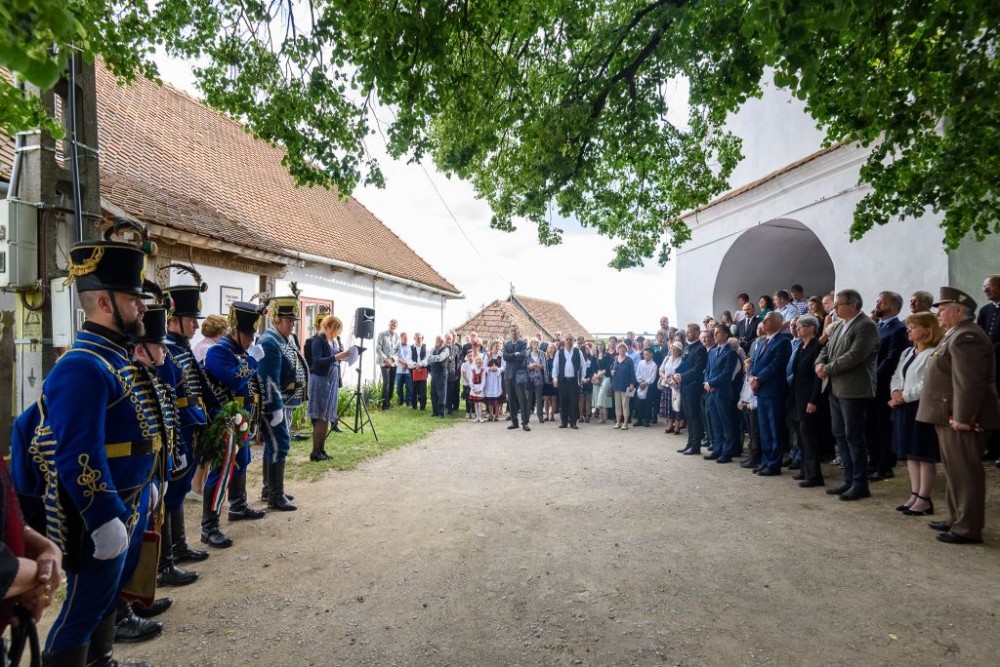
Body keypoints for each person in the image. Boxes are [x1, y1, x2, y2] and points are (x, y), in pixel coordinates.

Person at [31, 238, 160, 666]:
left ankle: (103, 660)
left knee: (109, 596)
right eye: (133, 298)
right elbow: (77, 452)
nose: (142, 307)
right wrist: (103, 516)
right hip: (98, 514)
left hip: (130, 499)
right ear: (104, 301)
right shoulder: (82, 365)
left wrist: (147, 485)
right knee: (81, 610)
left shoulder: (115, 358)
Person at [918, 288, 1000, 544]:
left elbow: (969, 382)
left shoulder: (967, 336)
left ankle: (967, 527)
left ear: (958, 311)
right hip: (948, 414)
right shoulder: (956, 334)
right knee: (955, 471)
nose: (939, 313)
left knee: (965, 473)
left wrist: (963, 416)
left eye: (943, 309)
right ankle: (955, 517)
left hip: (960, 417)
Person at [159, 276, 218, 589]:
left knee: (178, 494)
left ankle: (178, 546)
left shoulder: (181, 349)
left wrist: (218, 413)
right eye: (191, 320)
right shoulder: (166, 350)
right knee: (169, 497)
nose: (196, 327)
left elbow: (202, 387)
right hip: (176, 433)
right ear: (174, 320)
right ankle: (165, 559)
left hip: (191, 428)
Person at [202, 301, 266, 548]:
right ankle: (209, 527)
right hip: (225, 421)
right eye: (248, 335)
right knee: (221, 472)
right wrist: (251, 361)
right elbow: (235, 380)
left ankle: (237, 506)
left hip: (243, 421)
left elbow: (253, 385)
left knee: (242, 463)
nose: (251, 340)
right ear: (236, 331)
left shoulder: (241, 351)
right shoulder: (219, 352)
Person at [815, 289, 879, 500]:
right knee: (840, 434)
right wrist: (819, 363)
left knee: (854, 435)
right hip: (835, 387)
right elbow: (826, 349)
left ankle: (860, 483)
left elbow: (856, 355)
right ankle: (849, 478)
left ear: (854, 305)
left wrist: (828, 368)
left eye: (839, 304)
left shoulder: (866, 326)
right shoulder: (840, 326)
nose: (835, 308)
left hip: (854, 389)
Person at [888, 311, 942, 515]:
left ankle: (924, 498)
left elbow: (928, 383)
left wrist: (905, 396)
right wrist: (895, 392)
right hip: (903, 406)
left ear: (927, 330)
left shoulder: (933, 353)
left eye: (914, 327)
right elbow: (896, 375)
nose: (909, 330)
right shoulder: (908, 352)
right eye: (909, 326)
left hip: (919, 406)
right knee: (910, 453)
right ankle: (914, 493)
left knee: (922, 453)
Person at [258, 295, 308, 512]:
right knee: (280, 443)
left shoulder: (282, 338)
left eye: (294, 321)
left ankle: (270, 488)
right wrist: (275, 407)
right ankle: (275, 495)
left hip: (286, 401)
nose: (292, 324)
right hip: (275, 404)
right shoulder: (270, 341)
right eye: (289, 320)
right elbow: (270, 379)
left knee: (274, 445)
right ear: (276, 319)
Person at [868, 290, 910, 481]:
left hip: (883, 383)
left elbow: (892, 358)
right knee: (871, 425)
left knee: (883, 425)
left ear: (894, 308)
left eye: (882, 302)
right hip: (869, 383)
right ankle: (874, 461)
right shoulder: (877, 326)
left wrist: (874, 376)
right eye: (877, 301)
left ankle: (885, 465)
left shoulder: (898, 329)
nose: (877, 305)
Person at [748, 312, 792, 476]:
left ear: (777, 323)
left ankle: (774, 464)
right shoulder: (762, 342)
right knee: (764, 428)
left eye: (766, 320)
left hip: (774, 391)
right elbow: (754, 362)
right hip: (761, 391)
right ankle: (766, 461)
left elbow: (776, 365)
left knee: (775, 428)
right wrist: (752, 376)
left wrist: (758, 378)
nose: (763, 322)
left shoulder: (783, 342)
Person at [308, 316, 352, 462]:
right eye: (336, 329)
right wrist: (336, 357)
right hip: (320, 380)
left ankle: (322, 449)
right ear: (328, 327)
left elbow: (334, 357)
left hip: (331, 380)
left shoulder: (333, 340)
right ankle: (315, 452)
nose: (337, 333)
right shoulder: (318, 340)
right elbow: (317, 361)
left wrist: (343, 355)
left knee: (326, 416)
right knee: (320, 417)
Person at [790, 316, 826, 487]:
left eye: (802, 326)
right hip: (797, 398)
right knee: (801, 436)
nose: (798, 329)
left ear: (812, 327)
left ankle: (814, 475)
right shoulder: (800, 347)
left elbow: (817, 378)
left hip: (809, 398)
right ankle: (805, 470)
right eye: (797, 326)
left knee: (809, 437)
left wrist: (813, 400)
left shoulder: (817, 347)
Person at [703, 326, 741, 463]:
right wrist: (707, 383)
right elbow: (707, 370)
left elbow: (726, 374)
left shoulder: (731, 353)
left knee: (726, 423)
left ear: (726, 335)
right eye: (715, 333)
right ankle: (717, 449)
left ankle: (727, 451)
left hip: (723, 393)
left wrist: (711, 383)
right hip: (711, 392)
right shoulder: (712, 352)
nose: (715, 334)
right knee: (715, 423)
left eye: (718, 332)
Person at [674, 324, 708, 453]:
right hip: (684, 386)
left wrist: (682, 376)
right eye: (687, 332)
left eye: (689, 332)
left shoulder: (700, 349)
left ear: (697, 332)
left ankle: (695, 446)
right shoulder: (688, 347)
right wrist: (676, 375)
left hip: (693, 387)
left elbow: (697, 369)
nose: (687, 334)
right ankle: (689, 443)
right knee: (688, 417)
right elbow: (683, 364)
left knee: (694, 417)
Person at [551, 334, 585, 429]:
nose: (569, 341)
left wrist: (582, 377)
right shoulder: (559, 353)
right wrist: (555, 379)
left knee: (573, 402)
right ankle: (563, 422)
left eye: (571, 339)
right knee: (563, 402)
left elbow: (583, 365)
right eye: (567, 339)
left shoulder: (578, 352)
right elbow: (555, 367)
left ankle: (573, 422)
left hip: (574, 381)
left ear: (573, 341)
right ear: (564, 341)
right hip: (563, 380)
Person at [502, 325, 532, 431]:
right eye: (512, 331)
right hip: (509, 375)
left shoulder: (523, 343)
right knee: (511, 400)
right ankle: (514, 422)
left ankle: (525, 423)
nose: (514, 332)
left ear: (518, 332)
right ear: (510, 333)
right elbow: (505, 357)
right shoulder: (506, 344)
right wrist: (515, 354)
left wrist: (512, 356)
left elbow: (523, 356)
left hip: (520, 375)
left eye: (515, 331)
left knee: (522, 399)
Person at [658, 341, 684, 434]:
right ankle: (670, 426)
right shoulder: (667, 358)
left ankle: (677, 427)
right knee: (668, 407)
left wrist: (673, 380)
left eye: (676, 349)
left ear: (680, 351)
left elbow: (681, 373)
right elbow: (660, 371)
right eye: (672, 348)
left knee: (676, 407)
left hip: (676, 387)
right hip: (666, 385)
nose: (673, 350)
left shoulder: (681, 360)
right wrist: (666, 378)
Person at [610, 343, 637, 429]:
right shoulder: (615, 359)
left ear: (626, 350)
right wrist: (611, 372)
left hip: (627, 386)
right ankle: (618, 422)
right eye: (620, 348)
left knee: (625, 405)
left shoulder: (629, 360)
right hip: (616, 385)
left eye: (623, 348)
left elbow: (633, 373)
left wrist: (632, 383)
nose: (622, 350)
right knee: (617, 405)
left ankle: (625, 423)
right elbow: (611, 369)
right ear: (617, 350)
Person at [375, 319, 400, 410]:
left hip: (393, 363)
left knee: (392, 383)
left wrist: (392, 359)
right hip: (384, 363)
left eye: (395, 324)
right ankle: (384, 405)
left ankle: (388, 402)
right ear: (389, 324)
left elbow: (399, 350)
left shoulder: (397, 336)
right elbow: (378, 349)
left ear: (396, 326)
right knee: (386, 383)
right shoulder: (382, 334)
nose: (393, 325)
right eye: (392, 323)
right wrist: (386, 359)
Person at [426, 336, 451, 417]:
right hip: (434, 373)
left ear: (441, 341)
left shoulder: (446, 349)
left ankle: (441, 413)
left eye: (437, 340)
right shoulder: (434, 349)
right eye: (435, 340)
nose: (435, 342)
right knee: (433, 393)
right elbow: (428, 359)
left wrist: (431, 358)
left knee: (441, 393)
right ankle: (435, 411)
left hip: (441, 374)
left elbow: (440, 358)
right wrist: (432, 358)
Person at [591, 340, 614, 425]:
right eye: (598, 344)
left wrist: (599, 374)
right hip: (597, 377)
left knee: (601, 395)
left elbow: (608, 368)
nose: (600, 346)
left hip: (606, 377)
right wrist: (595, 376)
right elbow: (593, 368)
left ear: (604, 346)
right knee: (598, 398)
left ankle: (604, 417)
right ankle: (602, 418)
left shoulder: (607, 356)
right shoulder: (594, 356)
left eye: (601, 345)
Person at [526, 338, 548, 422]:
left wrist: (539, 366)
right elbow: (525, 365)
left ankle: (540, 417)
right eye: (534, 343)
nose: (536, 345)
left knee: (539, 399)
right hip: (529, 379)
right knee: (528, 399)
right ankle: (526, 417)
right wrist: (531, 366)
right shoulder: (527, 353)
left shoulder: (542, 354)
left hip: (539, 379)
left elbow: (545, 366)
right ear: (531, 344)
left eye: (537, 343)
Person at [484, 341, 506, 421]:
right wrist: (490, 368)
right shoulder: (487, 355)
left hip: (497, 378)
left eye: (499, 346)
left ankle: (496, 415)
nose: (497, 348)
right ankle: (490, 415)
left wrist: (497, 369)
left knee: (497, 397)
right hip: (490, 378)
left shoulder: (501, 356)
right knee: (490, 397)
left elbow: (504, 367)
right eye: (496, 346)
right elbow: (484, 366)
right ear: (492, 347)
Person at [394, 332, 414, 409]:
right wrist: (403, 363)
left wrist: (408, 365)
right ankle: (401, 401)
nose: (406, 340)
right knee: (399, 387)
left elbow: (412, 357)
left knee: (409, 387)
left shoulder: (410, 347)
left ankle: (408, 402)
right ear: (401, 338)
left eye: (407, 338)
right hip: (399, 370)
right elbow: (395, 357)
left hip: (408, 370)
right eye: (404, 338)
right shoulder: (397, 347)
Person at [410, 332, 429, 410]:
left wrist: (420, 365)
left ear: (422, 338)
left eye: (420, 338)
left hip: (423, 369)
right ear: (414, 338)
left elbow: (427, 358)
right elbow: (409, 359)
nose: (419, 339)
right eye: (417, 338)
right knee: (414, 388)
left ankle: (422, 406)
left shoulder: (426, 347)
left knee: (423, 389)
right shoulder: (410, 348)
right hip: (414, 370)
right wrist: (415, 365)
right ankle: (414, 406)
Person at [542, 345, 558, 423]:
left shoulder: (557, 359)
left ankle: (552, 415)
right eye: (550, 348)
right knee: (546, 398)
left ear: (555, 349)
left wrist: (554, 379)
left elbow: (558, 370)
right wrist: (546, 379)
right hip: (546, 380)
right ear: (547, 349)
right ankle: (546, 415)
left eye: (553, 348)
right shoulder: (545, 358)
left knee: (554, 398)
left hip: (554, 380)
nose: (551, 349)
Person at [467, 356, 486, 422]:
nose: (478, 364)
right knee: (475, 403)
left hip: (480, 388)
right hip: (474, 388)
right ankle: (477, 417)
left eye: (480, 363)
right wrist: (473, 388)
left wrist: (480, 389)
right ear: (475, 363)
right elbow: (471, 380)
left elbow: (483, 380)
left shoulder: (483, 370)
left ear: (481, 363)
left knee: (479, 403)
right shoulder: (473, 370)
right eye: (477, 363)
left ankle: (480, 417)